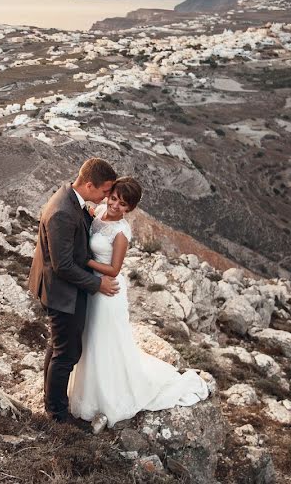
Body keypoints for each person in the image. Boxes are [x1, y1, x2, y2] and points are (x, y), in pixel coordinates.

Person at [68, 177, 209, 433]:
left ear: (129, 209)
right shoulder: (99, 211)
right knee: (90, 339)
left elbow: (114, 268)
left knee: (104, 341)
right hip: (91, 287)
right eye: (113, 199)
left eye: (122, 204)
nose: (115, 206)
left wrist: (83, 260)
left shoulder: (121, 233)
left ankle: (106, 397)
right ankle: (88, 391)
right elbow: (86, 207)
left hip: (107, 291)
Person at [27, 158, 120, 423]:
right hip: (61, 292)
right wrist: (98, 283)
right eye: (104, 192)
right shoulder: (63, 212)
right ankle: (57, 414)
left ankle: (51, 402)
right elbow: (63, 265)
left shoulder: (71, 200)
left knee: (59, 346)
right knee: (67, 354)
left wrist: (89, 219)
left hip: (62, 289)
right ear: (89, 185)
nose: (105, 198)